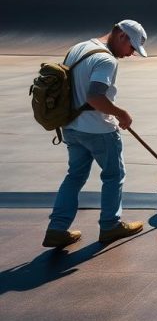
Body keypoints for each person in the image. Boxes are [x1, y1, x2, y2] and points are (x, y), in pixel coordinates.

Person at [42, 20, 149, 248]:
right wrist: (122, 114)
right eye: (132, 48)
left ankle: (57, 229)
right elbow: (95, 97)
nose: (131, 55)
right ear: (122, 36)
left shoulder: (79, 48)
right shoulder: (106, 60)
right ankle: (110, 225)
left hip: (71, 127)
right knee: (113, 175)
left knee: (75, 176)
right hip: (98, 130)